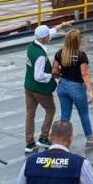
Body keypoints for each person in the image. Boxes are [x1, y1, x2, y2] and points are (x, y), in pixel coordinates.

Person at [24, 20, 73, 154]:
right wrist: (53, 75)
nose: (49, 37)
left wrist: (63, 25)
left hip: (28, 87)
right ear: (44, 38)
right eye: (47, 36)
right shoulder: (40, 56)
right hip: (39, 89)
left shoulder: (33, 45)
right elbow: (38, 76)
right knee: (50, 109)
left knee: (30, 114)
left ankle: (29, 143)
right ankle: (44, 137)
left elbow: (51, 32)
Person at [52, 29, 93, 148]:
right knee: (83, 113)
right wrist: (90, 91)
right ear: (78, 41)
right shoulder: (81, 55)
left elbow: (54, 69)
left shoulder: (60, 53)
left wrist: (61, 77)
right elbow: (84, 74)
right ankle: (90, 139)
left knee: (65, 116)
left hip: (62, 86)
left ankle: (61, 141)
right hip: (77, 87)